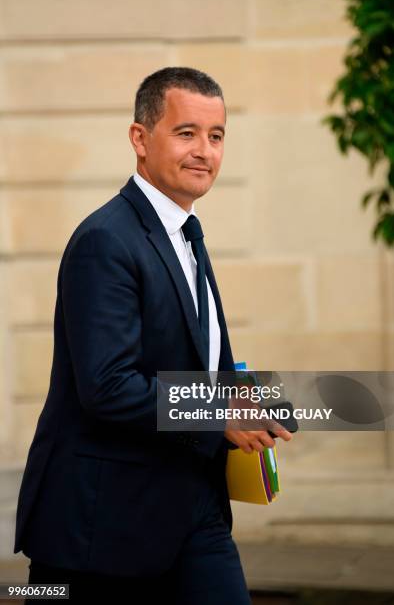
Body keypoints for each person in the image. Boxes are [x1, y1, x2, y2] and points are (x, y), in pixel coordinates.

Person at [14, 67, 292, 604]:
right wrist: (219, 415)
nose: (204, 151)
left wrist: (258, 397)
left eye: (216, 136)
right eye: (186, 133)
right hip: (102, 530)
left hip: (195, 510)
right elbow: (108, 386)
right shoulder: (104, 240)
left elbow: (197, 358)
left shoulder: (187, 234)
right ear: (140, 139)